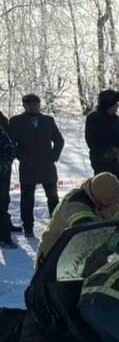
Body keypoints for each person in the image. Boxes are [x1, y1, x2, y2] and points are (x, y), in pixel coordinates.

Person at [35, 172, 119, 267]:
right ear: (103, 198)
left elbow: (118, 217)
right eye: (111, 200)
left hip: (77, 255)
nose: (115, 204)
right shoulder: (75, 205)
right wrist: (116, 241)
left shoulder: (99, 198)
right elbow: (89, 234)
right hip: (54, 260)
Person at [10, 93, 64, 237]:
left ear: (40, 105)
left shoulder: (48, 120)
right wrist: (23, 158)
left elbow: (59, 140)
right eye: (30, 104)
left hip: (47, 167)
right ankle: (28, 227)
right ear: (25, 106)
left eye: (36, 104)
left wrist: (53, 156)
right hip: (28, 167)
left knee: (53, 198)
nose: (33, 106)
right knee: (27, 199)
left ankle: (56, 226)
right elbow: (11, 144)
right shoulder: (16, 121)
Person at [85, 89, 119, 176]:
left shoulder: (116, 119)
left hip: (117, 161)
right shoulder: (94, 118)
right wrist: (109, 152)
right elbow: (93, 141)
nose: (117, 106)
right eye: (116, 103)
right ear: (109, 103)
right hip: (101, 161)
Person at [0, 110, 16, 248]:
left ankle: (5, 238)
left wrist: (3, 166)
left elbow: (10, 150)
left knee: (1, 206)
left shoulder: (1, 132)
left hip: (1, 175)